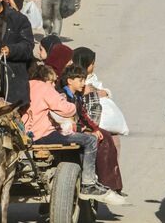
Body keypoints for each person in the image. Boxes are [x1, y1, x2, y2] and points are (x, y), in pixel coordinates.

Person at [23, 65, 118, 204]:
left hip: (24, 134)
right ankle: (88, 183)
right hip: (42, 135)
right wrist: (73, 105)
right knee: (90, 140)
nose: (54, 85)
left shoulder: (25, 85)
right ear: (45, 79)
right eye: (52, 82)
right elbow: (66, 110)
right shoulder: (45, 88)